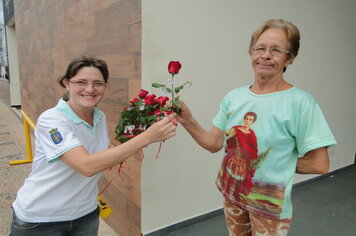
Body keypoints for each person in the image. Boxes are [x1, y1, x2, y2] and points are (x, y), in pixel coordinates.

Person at [177, 19, 336, 236]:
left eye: (276, 50)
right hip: (232, 195)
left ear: (291, 58)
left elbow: (320, 165)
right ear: (250, 52)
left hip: (268, 208)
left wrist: (275, 163)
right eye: (260, 48)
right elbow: (214, 143)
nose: (265, 55)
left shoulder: (301, 104)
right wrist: (188, 121)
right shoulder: (234, 97)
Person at [10, 56, 177, 235]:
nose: (90, 89)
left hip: (85, 214)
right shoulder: (52, 120)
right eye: (81, 82)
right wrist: (147, 137)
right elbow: (86, 165)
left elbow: (102, 155)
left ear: (105, 86)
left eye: (98, 83)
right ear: (67, 83)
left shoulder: (99, 116)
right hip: (42, 220)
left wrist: (140, 138)